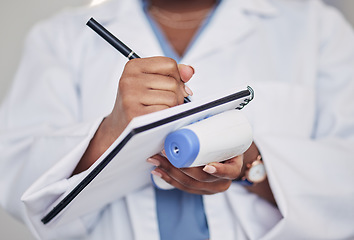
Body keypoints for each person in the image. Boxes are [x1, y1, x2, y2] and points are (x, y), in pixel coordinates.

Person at [1, 0, 354, 239]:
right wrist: (109, 133)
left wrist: (251, 165)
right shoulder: (61, 37)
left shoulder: (315, 26)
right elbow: (15, 179)